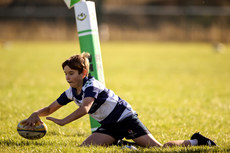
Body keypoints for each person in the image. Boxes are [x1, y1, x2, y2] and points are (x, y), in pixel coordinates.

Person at [23, 53, 216, 147]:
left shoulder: (92, 86)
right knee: (86, 147)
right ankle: (122, 144)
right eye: (65, 74)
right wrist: (35, 114)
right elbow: (51, 107)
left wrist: (63, 121)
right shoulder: (72, 91)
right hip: (109, 125)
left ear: (83, 73)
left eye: (71, 73)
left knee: (158, 148)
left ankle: (195, 141)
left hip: (126, 119)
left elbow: (85, 108)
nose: (67, 78)